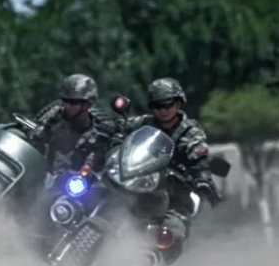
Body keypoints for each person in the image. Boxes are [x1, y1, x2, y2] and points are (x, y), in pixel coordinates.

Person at [120, 77, 219, 243]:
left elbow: (199, 157)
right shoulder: (144, 123)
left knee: (172, 231)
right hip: (141, 186)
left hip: (175, 193)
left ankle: (162, 257)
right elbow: (118, 128)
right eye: (158, 106)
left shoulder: (190, 131)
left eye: (168, 105)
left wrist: (202, 180)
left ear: (179, 103)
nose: (163, 110)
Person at [28, 74, 121, 175]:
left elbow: (98, 159)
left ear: (87, 105)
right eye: (65, 101)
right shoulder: (54, 116)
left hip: (80, 183)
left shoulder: (101, 130)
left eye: (73, 102)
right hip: (46, 176)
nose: (67, 106)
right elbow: (34, 136)